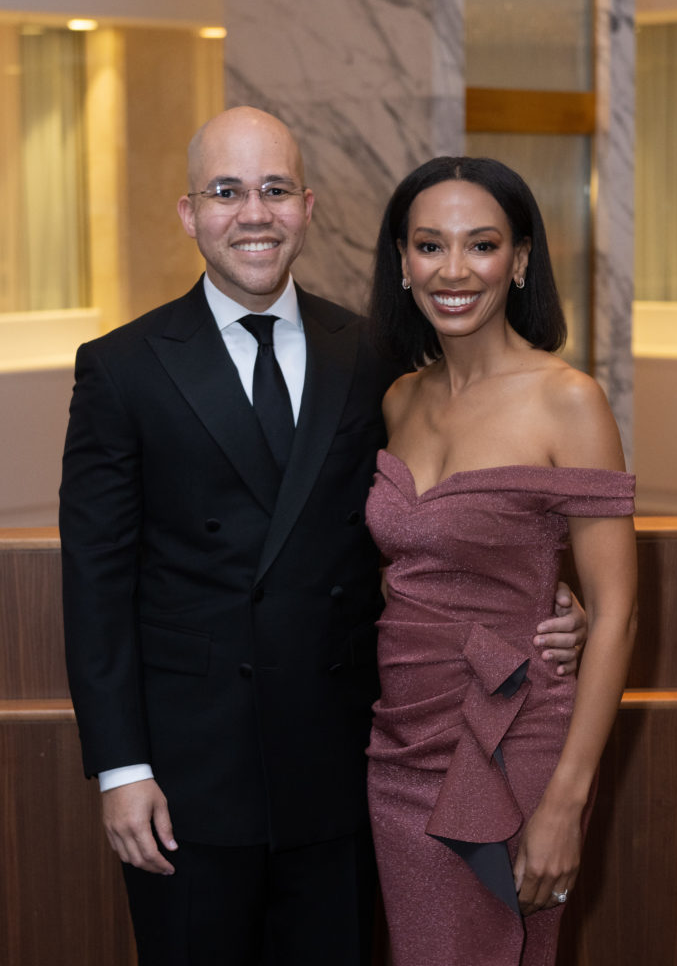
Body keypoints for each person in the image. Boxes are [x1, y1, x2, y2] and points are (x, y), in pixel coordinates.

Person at [59, 110, 585, 966]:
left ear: (306, 207)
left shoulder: (374, 356)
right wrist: (121, 770)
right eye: (226, 192)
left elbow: (438, 520)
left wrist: (553, 600)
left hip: (345, 767)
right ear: (190, 213)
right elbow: (95, 584)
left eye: (273, 191)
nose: (253, 214)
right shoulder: (121, 368)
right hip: (186, 781)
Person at [365, 155, 637, 966]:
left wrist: (565, 801)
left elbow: (617, 614)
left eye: (480, 245)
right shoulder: (398, 397)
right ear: (402, 263)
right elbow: (412, 562)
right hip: (399, 740)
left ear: (518, 261)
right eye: (428, 245)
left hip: (517, 738)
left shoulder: (568, 399)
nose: (453, 270)